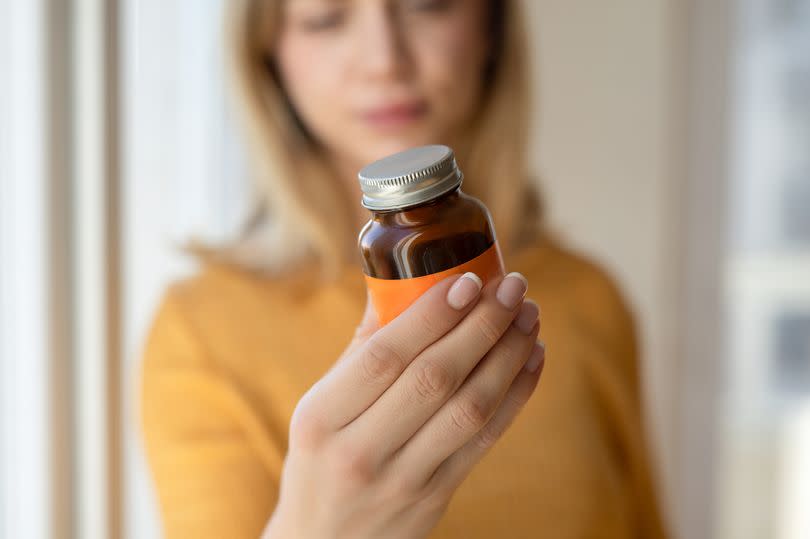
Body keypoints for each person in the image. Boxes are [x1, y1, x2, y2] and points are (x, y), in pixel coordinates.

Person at [139, 1, 669, 538]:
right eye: (325, 17)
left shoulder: (590, 300)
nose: (385, 61)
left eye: (428, 4)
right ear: (270, 59)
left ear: (492, 28)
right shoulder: (202, 332)